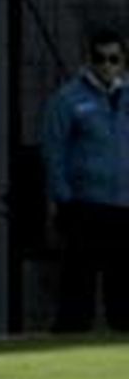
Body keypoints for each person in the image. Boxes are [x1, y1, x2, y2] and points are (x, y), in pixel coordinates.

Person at [39, 29, 129, 332]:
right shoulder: (69, 100)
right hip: (85, 203)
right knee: (79, 278)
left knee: (122, 280)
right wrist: (63, 198)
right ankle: (72, 334)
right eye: (100, 59)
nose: (107, 66)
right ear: (89, 60)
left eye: (114, 59)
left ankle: (121, 336)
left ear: (123, 62)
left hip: (123, 203)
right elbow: (54, 150)